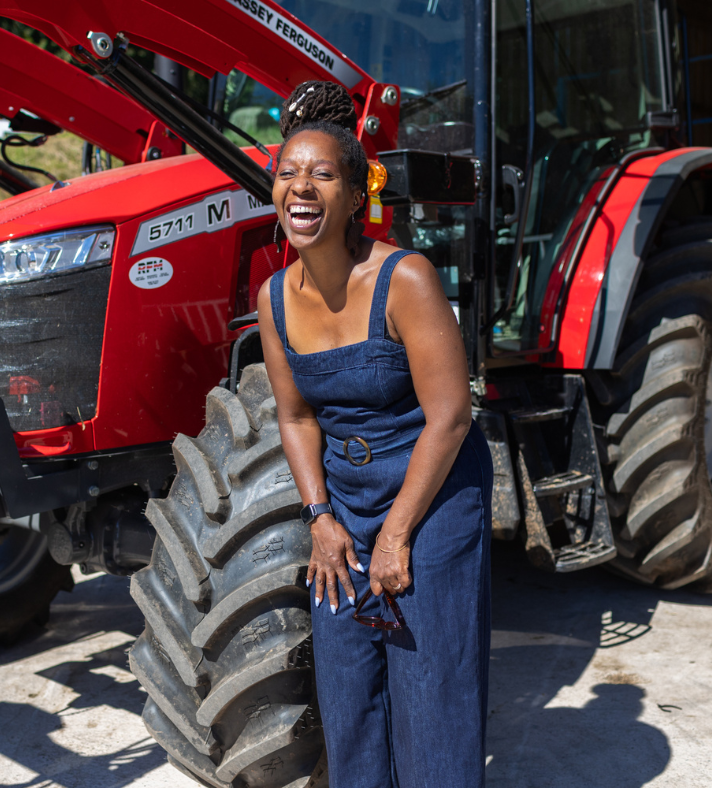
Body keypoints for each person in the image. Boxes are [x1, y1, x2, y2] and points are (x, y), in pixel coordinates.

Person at [256, 80, 493, 788]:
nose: (301, 186)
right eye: (287, 172)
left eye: (322, 174)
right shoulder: (273, 299)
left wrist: (395, 535)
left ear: (358, 196)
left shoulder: (405, 278)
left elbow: (450, 416)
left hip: (433, 496)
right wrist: (320, 517)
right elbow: (296, 416)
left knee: (431, 697)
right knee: (349, 699)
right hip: (345, 508)